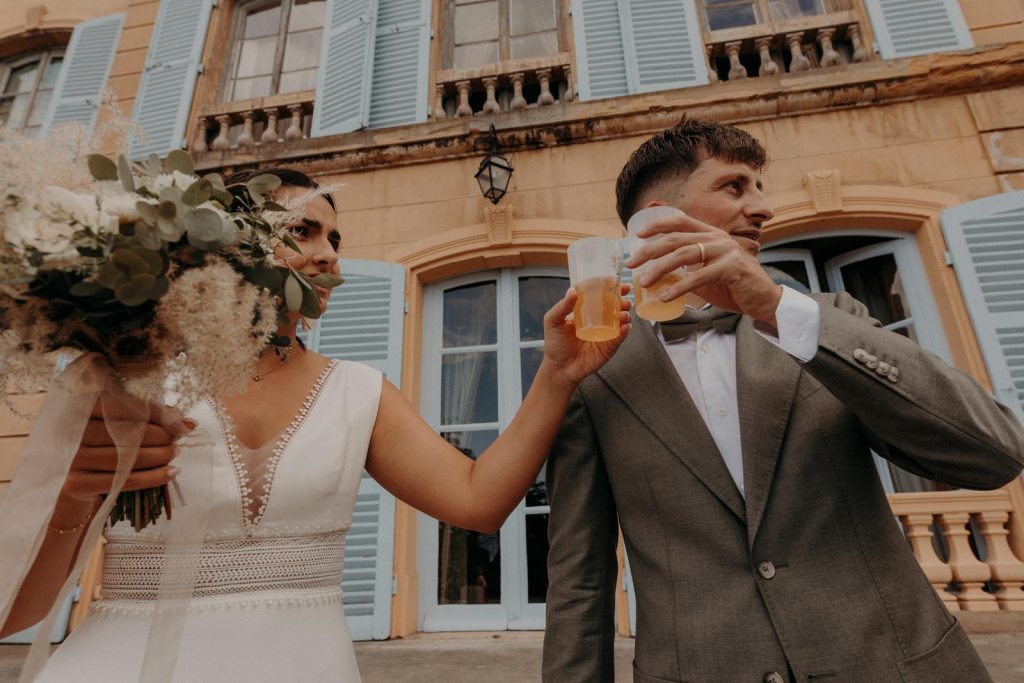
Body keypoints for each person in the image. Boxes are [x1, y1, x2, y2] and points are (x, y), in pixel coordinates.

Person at [1, 168, 631, 681]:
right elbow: (15, 614)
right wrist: (75, 494)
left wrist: (556, 373)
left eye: (336, 240)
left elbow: (478, 501)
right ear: (226, 241)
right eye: (305, 231)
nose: (330, 257)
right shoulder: (128, 376)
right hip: (121, 665)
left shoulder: (358, 392)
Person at [542, 119, 1024, 682]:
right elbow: (578, 579)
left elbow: (994, 455)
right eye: (735, 186)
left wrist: (779, 310)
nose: (763, 207)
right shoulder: (593, 372)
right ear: (657, 217)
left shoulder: (833, 321)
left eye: (760, 187)